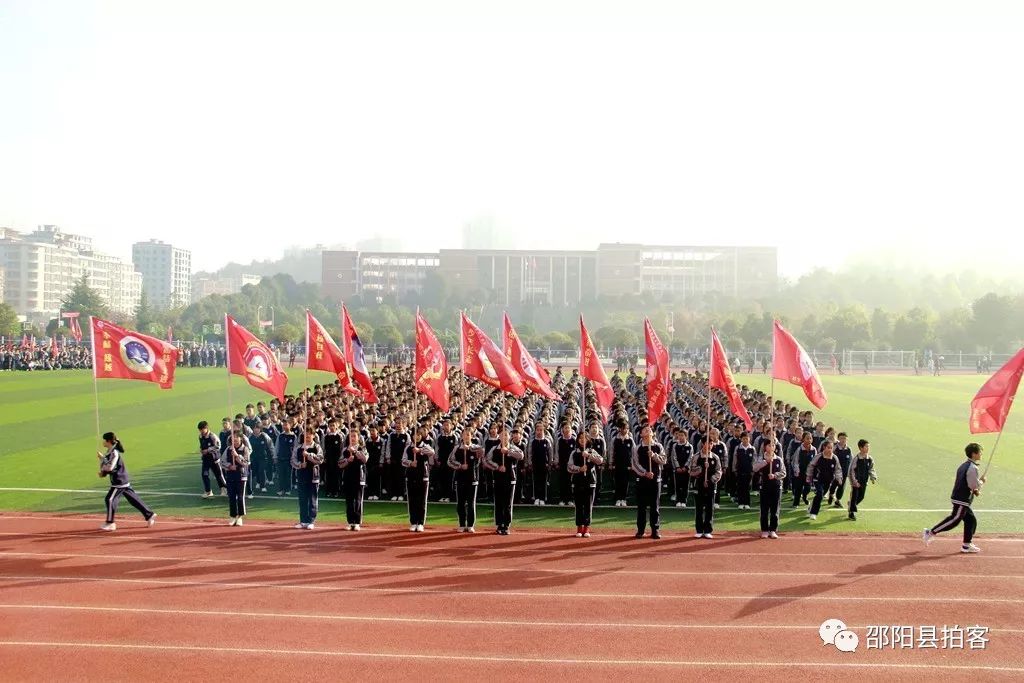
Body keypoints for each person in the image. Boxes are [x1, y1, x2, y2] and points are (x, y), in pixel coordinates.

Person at [923, 443, 985, 553]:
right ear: (974, 454)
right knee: (955, 519)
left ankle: (966, 545)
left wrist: (975, 490)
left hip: (959, 497)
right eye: (979, 452)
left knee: (970, 520)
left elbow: (967, 483)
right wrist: (981, 482)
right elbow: (973, 485)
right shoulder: (973, 467)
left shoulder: (964, 465)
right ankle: (931, 532)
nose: (981, 454)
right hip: (962, 499)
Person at [97, 432, 156, 532]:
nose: (103, 442)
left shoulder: (114, 452)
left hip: (119, 480)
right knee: (133, 499)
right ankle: (149, 514)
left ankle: (110, 523)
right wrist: (102, 459)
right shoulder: (110, 451)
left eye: (104, 440)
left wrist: (103, 462)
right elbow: (109, 464)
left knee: (110, 499)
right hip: (122, 479)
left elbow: (111, 467)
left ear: (108, 441)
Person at [484, 427, 524, 535]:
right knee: (499, 502)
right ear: (499, 436)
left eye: (506, 435)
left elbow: (521, 455)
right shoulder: (494, 448)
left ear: (509, 437)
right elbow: (487, 460)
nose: (504, 437)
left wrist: (508, 452)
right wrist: (497, 467)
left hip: (510, 478)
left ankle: (506, 525)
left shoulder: (513, 447)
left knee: (508, 503)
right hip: (498, 478)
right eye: (502, 435)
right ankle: (499, 524)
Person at [631, 424, 667, 539]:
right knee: (641, 506)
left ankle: (655, 529)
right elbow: (635, 464)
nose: (648, 430)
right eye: (645, 430)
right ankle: (640, 530)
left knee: (654, 506)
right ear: (641, 434)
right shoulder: (638, 448)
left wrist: (654, 456)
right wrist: (645, 473)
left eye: (649, 429)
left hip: (656, 480)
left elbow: (664, 460)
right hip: (642, 480)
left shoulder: (658, 446)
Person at [568, 431, 604, 538]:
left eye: (584, 438)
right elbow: (569, 466)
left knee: (588, 505)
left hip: (590, 481)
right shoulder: (574, 452)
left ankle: (587, 527)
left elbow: (600, 460)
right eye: (580, 438)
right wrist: (579, 469)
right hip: (577, 481)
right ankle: (579, 527)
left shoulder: (592, 451)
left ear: (588, 440)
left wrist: (589, 455)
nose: (582, 440)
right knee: (579, 505)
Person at [449, 428, 484, 532]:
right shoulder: (456, 448)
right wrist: (459, 465)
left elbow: (481, 454)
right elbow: (450, 461)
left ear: (471, 436)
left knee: (471, 503)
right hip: (460, 478)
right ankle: (461, 523)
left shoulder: (476, 448)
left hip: (472, 479)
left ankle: (470, 524)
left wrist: (468, 448)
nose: (466, 437)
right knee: (460, 502)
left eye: (468, 435)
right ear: (461, 436)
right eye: (464, 435)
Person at [403, 426, 436, 532]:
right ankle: (413, 522)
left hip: (423, 477)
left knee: (421, 501)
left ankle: (421, 522)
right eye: (414, 435)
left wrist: (420, 450)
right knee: (412, 500)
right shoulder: (408, 447)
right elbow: (403, 460)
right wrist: (410, 463)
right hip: (411, 476)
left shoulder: (426, 446)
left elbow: (432, 452)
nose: (416, 437)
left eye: (418, 434)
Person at [687, 440, 722, 539]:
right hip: (699, 485)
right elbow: (691, 471)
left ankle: (707, 530)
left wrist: (711, 480)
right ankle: (699, 530)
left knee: (709, 508)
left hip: (710, 485)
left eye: (711, 443)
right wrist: (701, 468)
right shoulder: (696, 456)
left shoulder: (715, 457)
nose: (710, 445)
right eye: (707, 443)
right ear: (703, 444)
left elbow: (719, 471)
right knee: (699, 508)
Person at [292, 426, 323, 529]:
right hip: (302, 476)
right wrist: (300, 465)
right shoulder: (298, 447)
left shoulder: (317, 447)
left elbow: (320, 460)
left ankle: (311, 520)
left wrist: (309, 455)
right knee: (302, 498)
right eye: (305, 435)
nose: (307, 437)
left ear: (313, 436)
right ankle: (303, 520)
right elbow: (293, 461)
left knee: (312, 498)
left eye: (309, 435)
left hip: (313, 476)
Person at [753, 439, 785, 538]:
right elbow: (755, 468)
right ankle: (764, 530)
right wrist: (765, 462)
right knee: (764, 509)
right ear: (765, 447)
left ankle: (773, 529)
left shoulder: (778, 459)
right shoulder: (761, 458)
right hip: (764, 486)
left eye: (773, 445)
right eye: (769, 445)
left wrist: (775, 475)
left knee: (775, 509)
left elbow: (784, 473)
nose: (771, 447)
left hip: (776, 486)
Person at [220, 429, 251, 526]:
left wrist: (237, 456)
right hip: (230, 476)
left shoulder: (245, 449)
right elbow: (222, 462)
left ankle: (240, 516)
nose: (235, 441)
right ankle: (233, 516)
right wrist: (229, 466)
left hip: (241, 476)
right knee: (232, 497)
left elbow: (246, 463)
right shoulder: (228, 449)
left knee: (240, 497)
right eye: (233, 439)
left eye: (236, 438)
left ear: (240, 438)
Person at [339, 429, 368, 530]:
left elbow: (365, 459)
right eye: (351, 436)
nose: (353, 438)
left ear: (358, 438)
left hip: (359, 477)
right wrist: (347, 460)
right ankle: (350, 521)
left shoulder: (362, 448)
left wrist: (355, 452)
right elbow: (340, 464)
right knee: (349, 500)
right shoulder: (345, 450)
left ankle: (357, 522)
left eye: (354, 436)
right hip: (348, 477)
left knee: (358, 500)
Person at [805, 440, 843, 520]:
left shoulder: (834, 458)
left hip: (828, 481)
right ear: (824, 448)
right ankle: (813, 513)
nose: (830, 450)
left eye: (831, 448)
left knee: (820, 496)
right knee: (819, 494)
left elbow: (838, 469)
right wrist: (809, 476)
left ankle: (811, 507)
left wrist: (839, 478)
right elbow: (811, 466)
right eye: (828, 448)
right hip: (817, 480)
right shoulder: (819, 457)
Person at [846, 439, 877, 521]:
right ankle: (851, 513)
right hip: (856, 482)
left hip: (864, 481)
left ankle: (851, 505)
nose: (868, 448)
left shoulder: (869, 459)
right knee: (854, 496)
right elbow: (851, 470)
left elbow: (871, 469)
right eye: (866, 446)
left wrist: (873, 477)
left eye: (868, 446)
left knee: (861, 496)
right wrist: (854, 482)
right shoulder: (856, 459)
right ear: (861, 448)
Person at [197, 420, 227, 498]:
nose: (201, 431)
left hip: (214, 459)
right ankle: (208, 491)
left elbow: (218, 446)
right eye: (200, 430)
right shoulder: (200, 436)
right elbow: (202, 445)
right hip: (206, 459)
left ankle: (224, 489)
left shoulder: (212, 436)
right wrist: (201, 449)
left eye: (202, 429)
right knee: (204, 474)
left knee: (219, 475)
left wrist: (208, 450)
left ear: (206, 428)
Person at [610, 419, 635, 507]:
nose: (624, 430)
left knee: (625, 482)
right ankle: (618, 499)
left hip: (627, 465)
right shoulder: (615, 439)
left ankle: (623, 499)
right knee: (617, 482)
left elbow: (633, 453)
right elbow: (611, 451)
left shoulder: (630, 440)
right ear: (619, 429)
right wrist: (611, 463)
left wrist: (632, 464)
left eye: (626, 429)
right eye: (623, 428)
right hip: (617, 464)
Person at [527, 423, 553, 505]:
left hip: (544, 465)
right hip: (535, 465)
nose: (539, 432)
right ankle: (536, 498)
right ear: (535, 431)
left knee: (543, 482)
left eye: (541, 430)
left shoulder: (547, 441)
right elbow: (529, 453)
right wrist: (530, 463)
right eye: (537, 430)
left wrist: (549, 464)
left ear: (543, 431)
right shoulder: (532, 442)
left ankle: (543, 498)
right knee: (536, 481)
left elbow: (550, 453)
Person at [732, 431, 756, 510]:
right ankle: (741, 503)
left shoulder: (752, 449)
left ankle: (747, 503)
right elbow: (735, 459)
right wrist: (734, 469)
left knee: (747, 487)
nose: (745, 440)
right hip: (740, 470)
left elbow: (754, 460)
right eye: (744, 439)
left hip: (749, 471)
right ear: (741, 439)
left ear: (749, 439)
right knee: (740, 487)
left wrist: (753, 469)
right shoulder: (738, 448)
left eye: (747, 438)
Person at [828, 432, 853, 508]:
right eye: (841, 438)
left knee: (842, 486)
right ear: (838, 439)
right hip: (836, 471)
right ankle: (831, 494)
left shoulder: (849, 449)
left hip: (845, 472)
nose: (843, 440)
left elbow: (851, 461)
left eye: (845, 438)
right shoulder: (834, 448)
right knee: (834, 484)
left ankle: (838, 500)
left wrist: (850, 471)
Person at [669, 427, 692, 509]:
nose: (680, 437)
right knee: (678, 486)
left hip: (686, 470)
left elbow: (690, 458)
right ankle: (678, 500)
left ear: (686, 436)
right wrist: (677, 467)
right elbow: (673, 457)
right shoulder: (675, 446)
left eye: (682, 435)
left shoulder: (690, 446)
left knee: (685, 486)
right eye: (679, 435)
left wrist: (686, 467)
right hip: (677, 470)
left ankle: (684, 501)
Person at [274, 419, 297, 496]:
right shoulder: (280, 436)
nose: (284, 426)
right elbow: (277, 446)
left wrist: (294, 459)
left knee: (288, 475)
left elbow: (295, 448)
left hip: (289, 459)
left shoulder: (293, 436)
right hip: (280, 458)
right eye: (283, 425)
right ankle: (281, 489)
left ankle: (288, 489)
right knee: (281, 475)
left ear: (290, 425)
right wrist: (275, 456)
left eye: (286, 424)